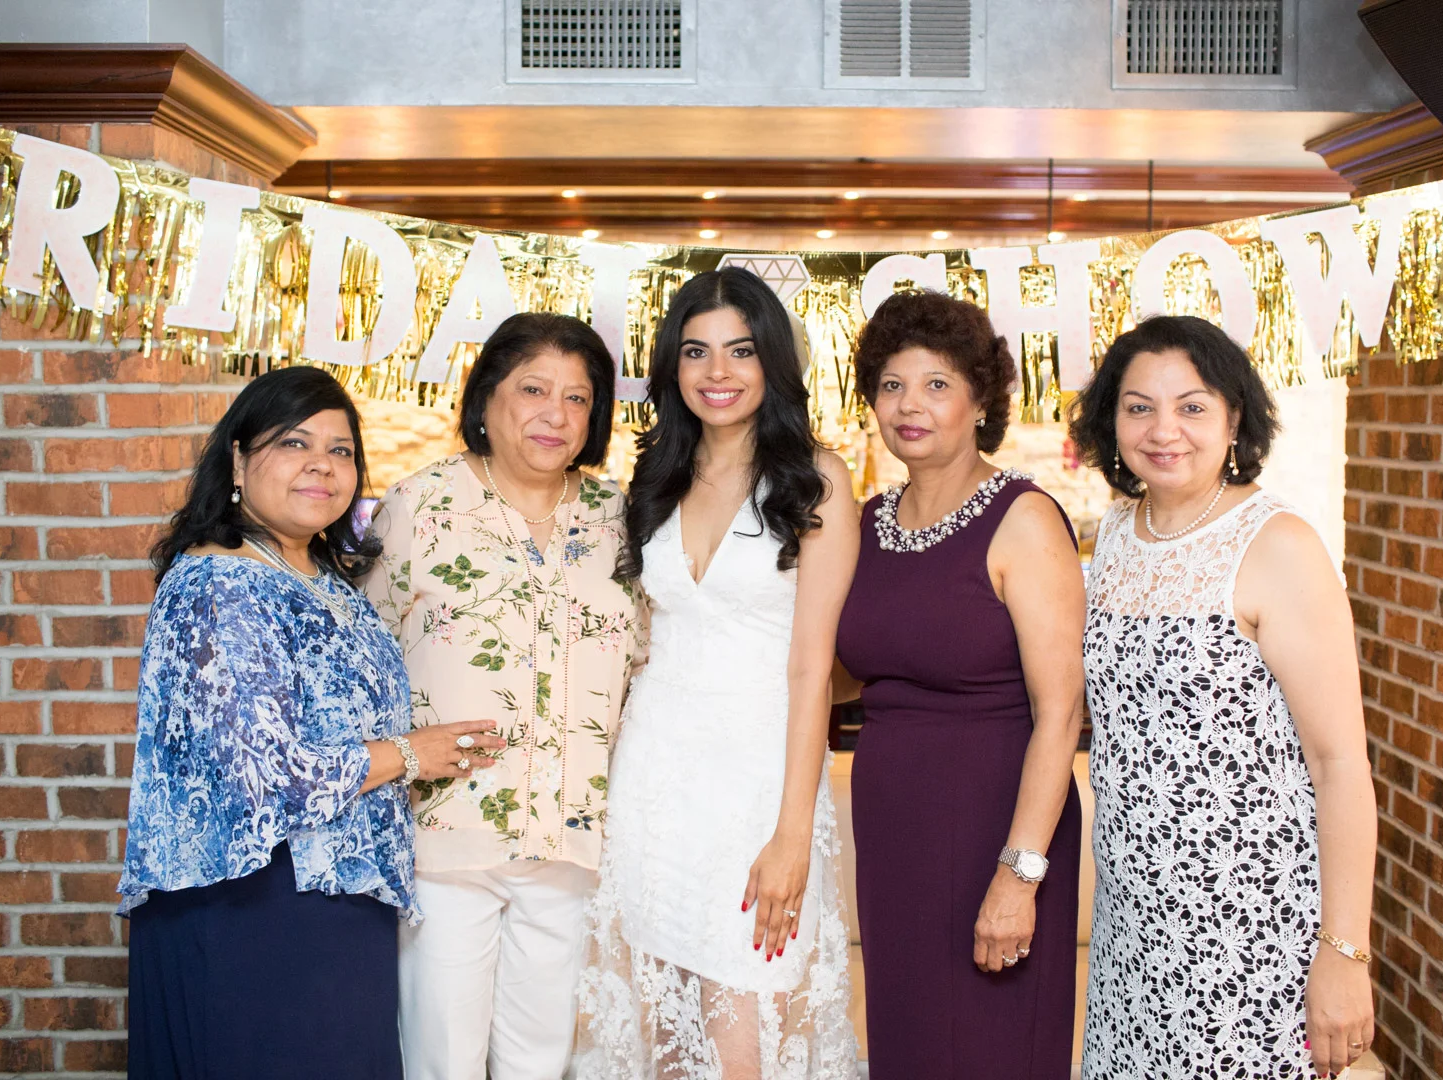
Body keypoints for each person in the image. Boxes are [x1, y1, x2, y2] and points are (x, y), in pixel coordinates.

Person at [120, 366, 502, 1080]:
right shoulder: (221, 583)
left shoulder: (320, 577)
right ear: (238, 460)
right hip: (255, 905)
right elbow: (267, 774)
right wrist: (410, 755)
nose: (322, 465)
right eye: (294, 443)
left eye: (340, 450)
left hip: (331, 901)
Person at [1068, 314, 1377, 1080]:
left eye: (1192, 406)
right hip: (1132, 925)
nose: (1163, 429)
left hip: (1249, 930)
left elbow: (1340, 764)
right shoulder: (1117, 532)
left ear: (1234, 418)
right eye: (1139, 407)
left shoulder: (1278, 545)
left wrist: (1344, 952)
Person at [576, 267, 860, 1079]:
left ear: (773, 360)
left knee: (744, 1034)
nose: (718, 371)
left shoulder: (815, 479)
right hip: (653, 777)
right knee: (664, 1032)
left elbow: (812, 669)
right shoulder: (653, 478)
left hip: (758, 781)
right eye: (696, 351)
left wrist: (792, 832)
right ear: (673, 366)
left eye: (741, 350)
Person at [363, 311, 645, 1080]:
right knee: (442, 1062)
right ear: (487, 396)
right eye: (533, 390)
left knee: (541, 1063)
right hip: (447, 840)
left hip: (574, 841)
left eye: (578, 398)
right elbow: (366, 656)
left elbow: (646, 658)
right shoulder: (420, 505)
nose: (556, 414)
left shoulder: (619, 518)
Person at [829, 291, 1085, 1079]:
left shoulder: (1024, 520)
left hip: (995, 827)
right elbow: (841, 673)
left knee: (988, 1049)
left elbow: (1061, 712)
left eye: (937, 384)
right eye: (892, 385)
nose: (910, 405)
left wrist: (1020, 873)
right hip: (893, 828)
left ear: (980, 402)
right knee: (908, 1047)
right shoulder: (867, 523)